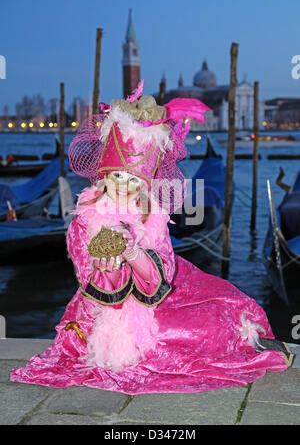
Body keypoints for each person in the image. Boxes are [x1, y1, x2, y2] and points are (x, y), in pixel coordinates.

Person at [10, 81, 294, 394]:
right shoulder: (84, 223)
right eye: (117, 176)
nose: (124, 186)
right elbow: (92, 285)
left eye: (134, 180)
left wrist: (134, 254)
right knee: (173, 335)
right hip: (104, 308)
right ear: (104, 174)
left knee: (225, 307)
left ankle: (247, 339)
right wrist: (110, 267)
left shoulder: (152, 214)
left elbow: (165, 271)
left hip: (162, 286)